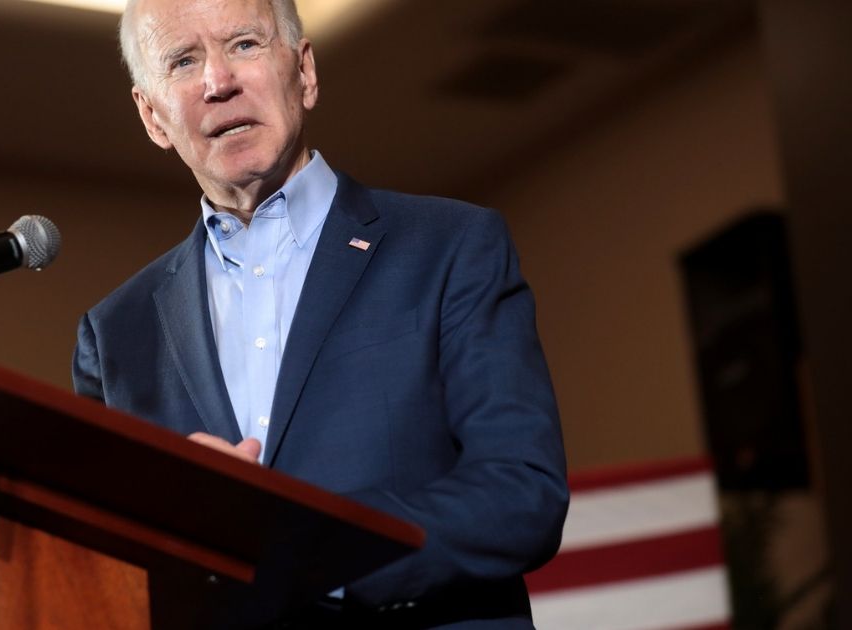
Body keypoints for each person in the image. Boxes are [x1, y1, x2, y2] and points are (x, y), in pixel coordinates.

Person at [72, 0, 568, 626]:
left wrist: (302, 549)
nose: (217, 82)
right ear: (153, 117)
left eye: (245, 45)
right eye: (183, 60)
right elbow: (96, 568)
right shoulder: (116, 334)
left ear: (303, 72)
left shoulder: (450, 246)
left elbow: (521, 495)